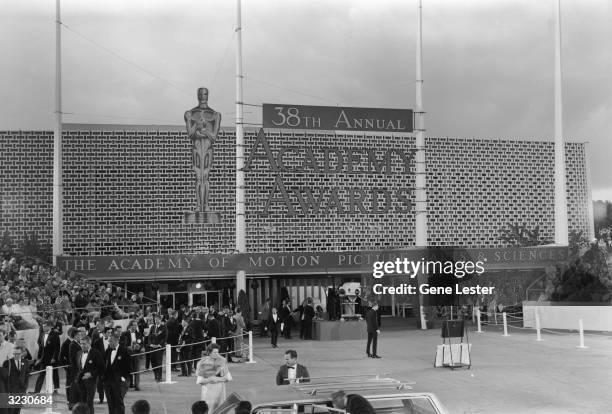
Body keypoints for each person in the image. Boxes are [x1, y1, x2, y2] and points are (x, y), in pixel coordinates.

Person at [184, 87, 222, 214]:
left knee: (205, 177)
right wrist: (197, 125)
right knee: (198, 177)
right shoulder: (190, 113)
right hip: (196, 149)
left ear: (208, 95)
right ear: (197, 95)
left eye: (205, 94)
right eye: (200, 94)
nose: (202, 96)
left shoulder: (215, 115)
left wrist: (205, 131)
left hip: (207, 149)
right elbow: (190, 133)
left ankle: (205, 205)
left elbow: (214, 136)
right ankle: (198, 205)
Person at [73, 334, 104, 414]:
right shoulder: (78, 353)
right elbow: (78, 367)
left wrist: (91, 374)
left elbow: (101, 367)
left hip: (91, 381)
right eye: (81, 343)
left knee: (89, 402)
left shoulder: (96, 353)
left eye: (84, 343)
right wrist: (77, 378)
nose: (82, 345)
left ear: (89, 344)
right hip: (81, 381)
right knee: (82, 402)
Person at [196, 343, 232, 412]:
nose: (216, 354)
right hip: (208, 392)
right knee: (208, 410)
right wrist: (210, 379)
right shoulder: (202, 363)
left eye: (217, 352)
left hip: (220, 392)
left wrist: (218, 379)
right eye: (214, 352)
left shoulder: (222, 361)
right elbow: (200, 381)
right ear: (209, 352)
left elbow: (228, 378)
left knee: (220, 410)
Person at [102, 334, 130, 414]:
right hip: (108, 381)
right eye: (109, 341)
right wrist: (104, 378)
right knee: (110, 403)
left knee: (119, 402)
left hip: (119, 381)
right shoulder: (108, 350)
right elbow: (104, 364)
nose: (109, 343)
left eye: (111, 341)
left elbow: (128, 366)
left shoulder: (124, 350)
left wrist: (123, 377)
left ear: (117, 341)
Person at [2, 345, 31, 414]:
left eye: (18, 354)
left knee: (18, 409)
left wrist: (25, 387)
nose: (16, 355)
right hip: (11, 390)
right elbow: (4, 377)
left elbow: (27, 375)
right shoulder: (7, 363)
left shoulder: (25, 362)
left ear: (22, 354)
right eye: (14, 354)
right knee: (10, 410)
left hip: (21, 390)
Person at [33, 320, 61, 393]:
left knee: (54, 374)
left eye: (45, 326)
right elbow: (41, 347)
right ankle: (36, 391)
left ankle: (56, 389)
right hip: (44, 358)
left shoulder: (55, 334)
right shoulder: (42, 334)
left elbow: (57, 348)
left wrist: (54, 358)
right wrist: (38, 358)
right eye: (43, 326)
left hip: (52, 358)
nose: (43, 328)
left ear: (49, 326)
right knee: (41, 374)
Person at [120, 320, 144, 391]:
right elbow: (121, 344)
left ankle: (137, 385)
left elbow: (141, 343)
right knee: (128, 370)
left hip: (136, 353)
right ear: (130, 326)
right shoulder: (124, 334)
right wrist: (127, 347)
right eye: (134, 325)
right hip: (127, 354)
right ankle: (129, 384)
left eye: (136, 325)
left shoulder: (139, 334)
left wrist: (139, 346)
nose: (135, 326)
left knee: (137, 370)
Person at [147, 314, 167, 382]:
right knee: (153, 362)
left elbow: (164, 338)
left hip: (159, 347)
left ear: (160, 320)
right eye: (155, 320)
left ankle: (160, 376)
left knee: (159, 362)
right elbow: (149, 336)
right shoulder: (152, 327)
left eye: (157, 319)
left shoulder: (164, 327)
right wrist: (150, 344)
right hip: (152, 347)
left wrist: (159, 345)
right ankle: (155, 374)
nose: (156, 321)